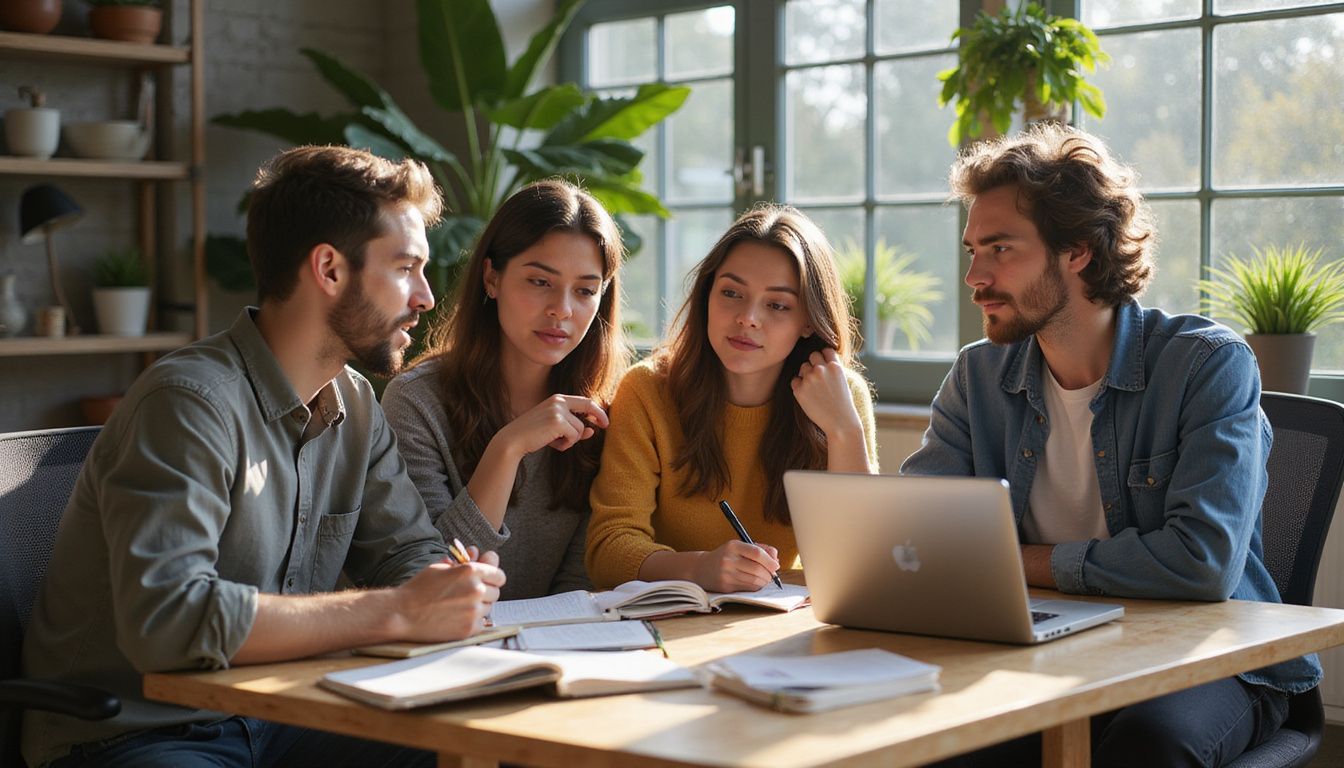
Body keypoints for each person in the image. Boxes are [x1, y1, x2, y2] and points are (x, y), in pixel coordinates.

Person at [21, 146, 506, 768]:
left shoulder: (355, 404)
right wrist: (396, 610)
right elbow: (170, 623)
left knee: (476, 751)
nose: (426, 297)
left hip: (282, 714)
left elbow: (406, 553)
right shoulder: (189, 404)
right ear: (329, 269)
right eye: (407, 267)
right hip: (135, 733)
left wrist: (449, 587)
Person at [902, 123, 1319, 767]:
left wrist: (1013, 561)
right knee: (930, 740)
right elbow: (920, 538)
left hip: (1210, 656)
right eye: (972, 249)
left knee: (1146, 748)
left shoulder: (1208, 366)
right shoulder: (978, 376)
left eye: (1000, 249)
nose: (974, 275)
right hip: (1048, 646)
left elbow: (1200, 564)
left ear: (1077, 251)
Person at [585, 204, 879, 592]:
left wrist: (843, 430)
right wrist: (699, 569)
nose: (747, 317)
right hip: (666, 625)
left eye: (777, 304)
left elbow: (864, 559)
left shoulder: (841, 397)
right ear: (707, 295)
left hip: (774, 629)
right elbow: (607, 550)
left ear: (808, 319)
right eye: (731, 293)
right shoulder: (646, 391)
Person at [382, 179, 627, 600]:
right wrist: (508, 448)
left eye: (585, 291)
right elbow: (431, 578)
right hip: (439, 651)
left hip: (557, 650)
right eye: (539, 281)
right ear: (491, 278)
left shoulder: (603, 413)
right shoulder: (416, 402)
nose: (562, 309)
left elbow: (579, 585)